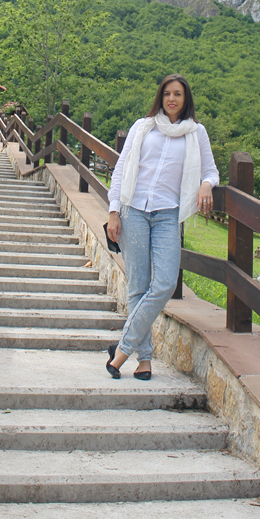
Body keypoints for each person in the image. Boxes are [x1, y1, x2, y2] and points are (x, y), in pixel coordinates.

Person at [105, 74, 219, 380]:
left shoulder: (196, 132)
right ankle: (144, 359)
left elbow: (211, 171)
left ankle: (122, 349)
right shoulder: (143, 127)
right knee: (138, 286)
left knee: (166, 282)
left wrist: (206, 184)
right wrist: (114, 211)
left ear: (185, 99)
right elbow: (120, 170)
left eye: (178, 94)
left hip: (168, 214)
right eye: (167, 93)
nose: (172, 98)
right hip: (133, 210)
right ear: (161, 96)